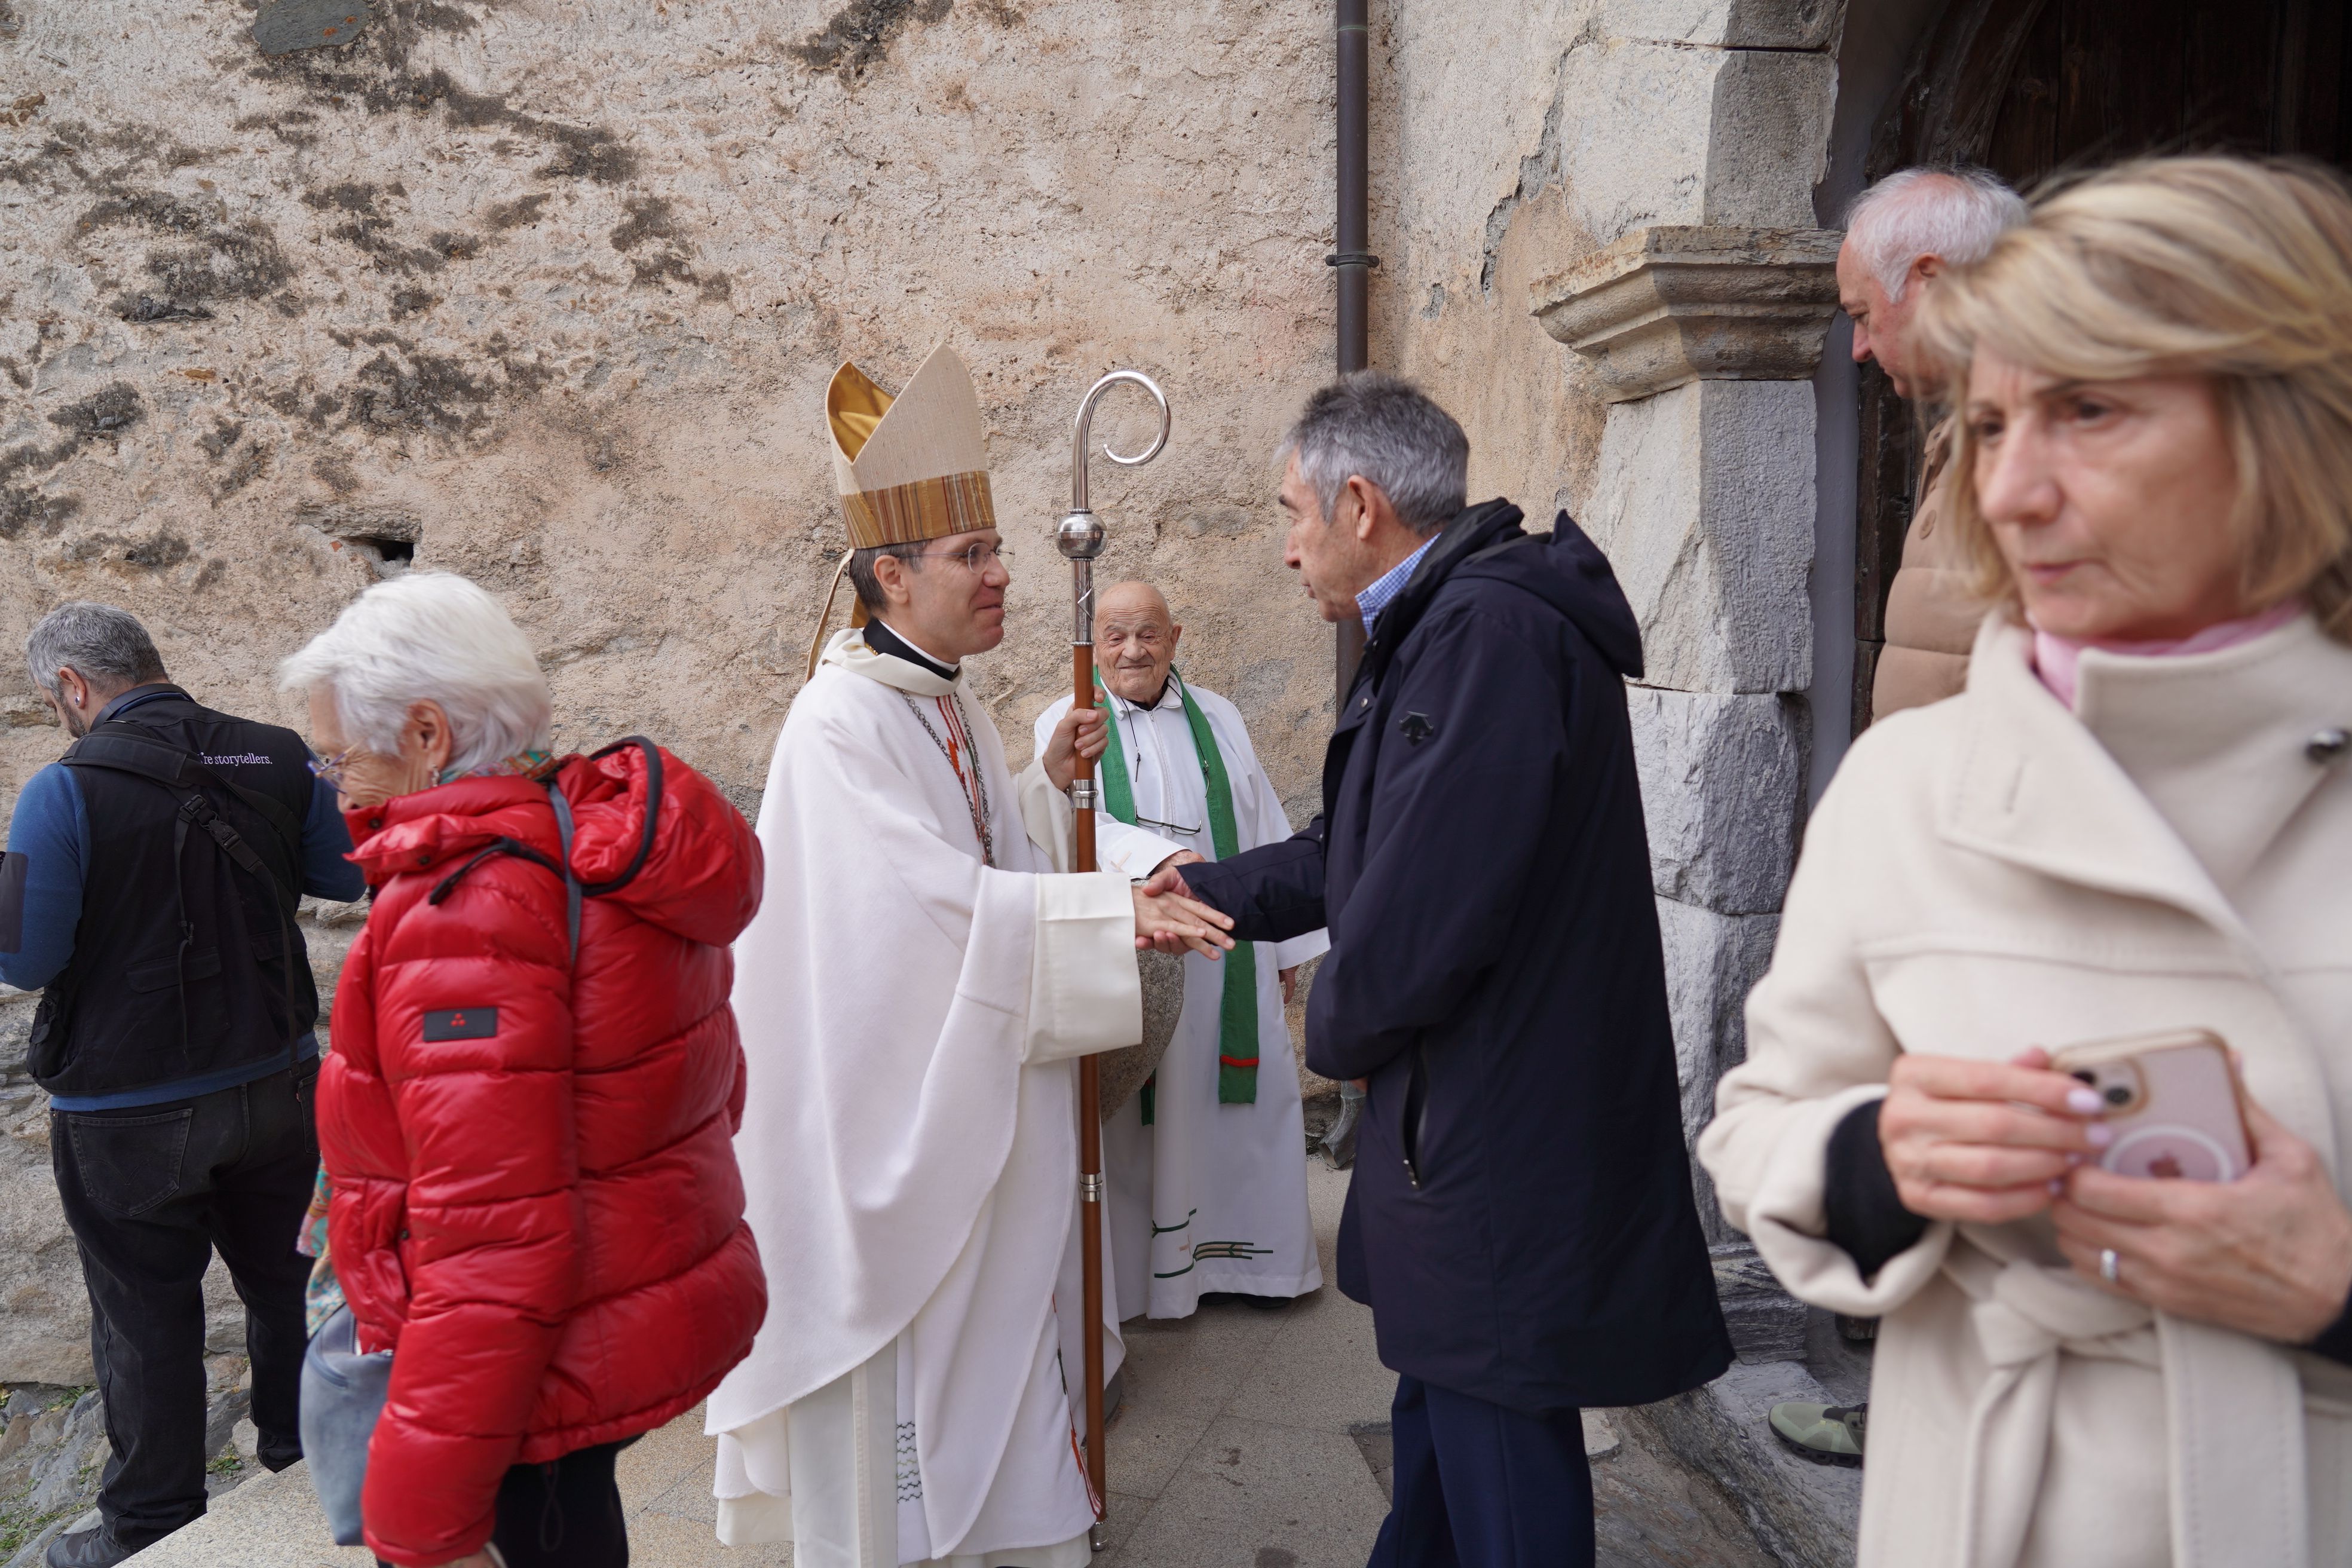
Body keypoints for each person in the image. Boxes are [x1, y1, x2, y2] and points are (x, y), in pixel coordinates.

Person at [1698, 156, 2352, 1568]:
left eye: (2090, 410)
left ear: (2288, 419)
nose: (2012, 489)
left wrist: (2337, 1285)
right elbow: (1758, 1126)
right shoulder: (1908, 783)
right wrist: (1883, 1152)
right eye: (1989, 425)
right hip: (1983, 1502)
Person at [1159, 372, 1732, 1567]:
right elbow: (1358, 848)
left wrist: (1332, 1027)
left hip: (1493, 1137)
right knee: (1441, 1444)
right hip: (1468, 1126)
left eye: (1288, 512)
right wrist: (1200, 888)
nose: (1283, 549)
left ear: (1359, 502)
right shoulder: (1447, 628)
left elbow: (1423, 916)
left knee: (1504, 1474)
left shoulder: (1486, 637)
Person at [708, 344, 1235, 1566]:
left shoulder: (937, 696)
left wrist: (1051, 807)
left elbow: (972, 853)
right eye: (973, 555)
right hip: (891, 1118)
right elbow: (915, 909)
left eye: (997, 548)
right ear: (890, 574)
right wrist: (1112, 920)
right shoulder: (839, 720)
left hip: (966, 1097)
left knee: (999, 1350)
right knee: (926, 1374)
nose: (1003, 575)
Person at [278, 571, 768, 1568]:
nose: (338, 789)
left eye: (340, 758)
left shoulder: (473, 905)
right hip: (606, 1310)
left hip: (527, 1367)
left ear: (426, 732)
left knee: (551, 1522)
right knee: (580, 1515)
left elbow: (495, 1244)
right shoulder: (586, 837)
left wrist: (423, 1521)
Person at [0, 602, 363, 1568]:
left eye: (52, 699)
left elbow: (25, 957)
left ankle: (151, 1523)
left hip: (128, 1107)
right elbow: (341, 868)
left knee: (144, 1313)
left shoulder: (61, 789)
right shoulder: (278, 752)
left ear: (73, 686)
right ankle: (307, 1462)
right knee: (291, 1281)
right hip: (277, 1080)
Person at [1031, 581, 1327, 1319]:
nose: (1132, 650)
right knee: (1145, 1120)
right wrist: (1157, 860)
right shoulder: (1068, 720)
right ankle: (1144, 1279)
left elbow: (1261, 823)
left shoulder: (1219, 715)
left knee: (1237, 1107)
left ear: (1176, 636)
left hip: (1229, 945)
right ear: (1093, 643)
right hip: (1141, 944)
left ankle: (1250, 1262)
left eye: (1148, 634)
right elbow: (1065, 824)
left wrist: (1286, 944)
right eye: (1115, 635)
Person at [1839, 167, 2029, 720]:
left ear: (1930, 279)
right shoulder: (1968, 438)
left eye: (1862, 315)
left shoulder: (2040, 446)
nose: (1859, 348)